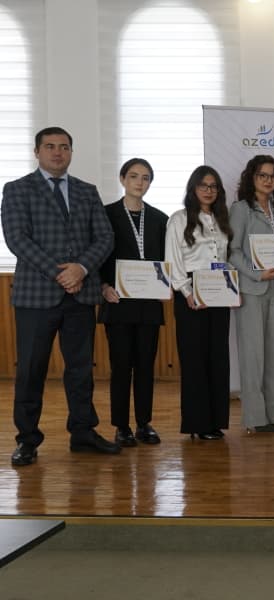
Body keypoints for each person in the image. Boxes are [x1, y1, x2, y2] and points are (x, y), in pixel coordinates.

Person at [2, 126, 118, 466]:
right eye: (50, 146)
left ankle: (83, 433)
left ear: (71, 152)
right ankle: (27, 440)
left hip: (81, 296)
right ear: (37, 151)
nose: (57, 152)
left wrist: (81, 268)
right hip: (36, 297)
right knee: (31, 371)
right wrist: (60, 273)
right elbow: (16, 239)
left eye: (64, 147)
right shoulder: (17, 189)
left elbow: (105, 237)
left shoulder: (86, 191)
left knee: (81, 370)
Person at [99, 158, 169, 447]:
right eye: (134, 176)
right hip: (117, 302)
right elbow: (98, 257)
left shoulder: (160, 219)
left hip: (149, 303)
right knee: (121, 366)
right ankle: (121, 426)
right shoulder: (105, 215)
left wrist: (169, 281)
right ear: (122, 179)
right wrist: (102, 286)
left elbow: (167, 260)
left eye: (146, 178)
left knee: (145, 366)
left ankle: (144, 423)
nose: (140, 182)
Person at [165, 165, 234, 441]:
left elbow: (225, 258)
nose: (209, 190)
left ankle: (215, 421)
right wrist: (187, 291)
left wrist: (230, 288)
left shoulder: (221, 220)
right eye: (203, 185)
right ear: (193, 189)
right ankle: (197, 422)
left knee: (218, 357)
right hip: (191, 292)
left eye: (213, 186)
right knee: (194, 358)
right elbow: (172, 261)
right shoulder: (179, 220)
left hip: (218, 289)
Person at [229, 155, 274, 434]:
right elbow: (233, 251)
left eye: (272, 176)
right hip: (253, 290)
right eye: (262, 175)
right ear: (251, 178)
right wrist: (257, 273)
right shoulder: (241, 209)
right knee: (253, 355)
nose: (268, 180)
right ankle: (255, 419)